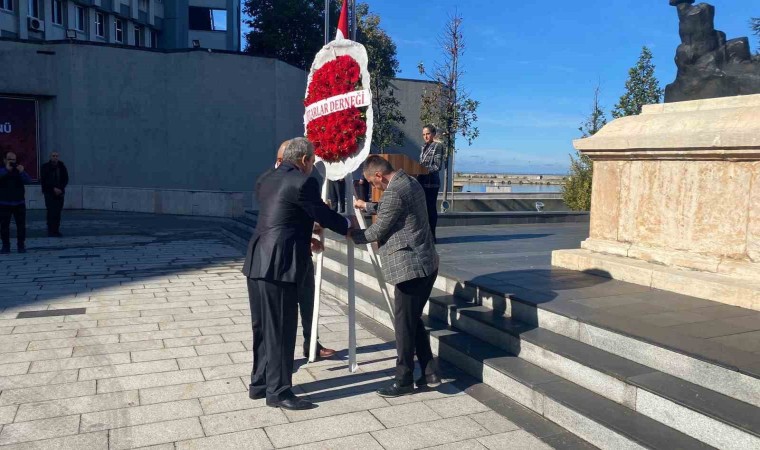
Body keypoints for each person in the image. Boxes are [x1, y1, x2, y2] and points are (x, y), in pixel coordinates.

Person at [242, 138, 352, 410]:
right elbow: (323, 216)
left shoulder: (266, 178)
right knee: (281, 328)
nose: (312, 165)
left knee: (262, 328)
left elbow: (283, 216)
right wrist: (349, 226)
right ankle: (278, 391)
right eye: (312, 161)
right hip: (279, 265)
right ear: (304, 160)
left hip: (257, 260)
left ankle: (259, 383)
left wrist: (304, 239)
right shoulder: (304, 182)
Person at [351, 155, 440, 397]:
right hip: (426, 264)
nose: (373, 187)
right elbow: (391, 207)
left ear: (379, 175)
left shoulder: (393, 191)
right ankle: (431, 372)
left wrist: (349, 232)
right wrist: (366, 206)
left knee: (403, 324)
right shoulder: (409, 182)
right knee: (412, 319)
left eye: (372, 182)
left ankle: (403, 380)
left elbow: (377, 230)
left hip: (411, 268)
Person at [273, 140, 336, 360]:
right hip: (283, 260)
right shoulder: (278, 181)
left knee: (309, 301)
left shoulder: (290, 179)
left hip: (300, 252)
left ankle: (312, 344)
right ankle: (282, 360)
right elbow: (279, 222)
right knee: (285, 311)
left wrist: (309, 234)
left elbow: (294, 217)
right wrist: (342, 224)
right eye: (280, 160)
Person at [417, 125, 445, 242]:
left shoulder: (438, 146)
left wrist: (423, 170)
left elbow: (437, 166)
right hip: (421, 182)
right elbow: (421, 163)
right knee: (422, 209)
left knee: (430, 208)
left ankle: (432, 235)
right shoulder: (423, 147)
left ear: (433, 134)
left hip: (431, 183)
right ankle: (424, 234)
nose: (425, 136)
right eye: (423, 134)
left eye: (427, 134)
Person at [0, 151, 32, 254]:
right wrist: (6, 170)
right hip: (4, 203)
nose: (12, 162)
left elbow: (28, 181)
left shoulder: (18, 170)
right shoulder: (1, 170)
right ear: (5, 160)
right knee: (4, 226)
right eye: (9, 159)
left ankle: (21, 246)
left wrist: (22, 172)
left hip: (19, 203)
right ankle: (5, 246)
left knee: (21, 226)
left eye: (13, 160)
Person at [40, 151, 69, 237]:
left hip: (60, 193)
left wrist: (61, 188)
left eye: (56, 156)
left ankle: (56, 230)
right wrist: (53, 189)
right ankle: (50, 230)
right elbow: (44, 180)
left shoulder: (62, 167)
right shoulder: (45, 167)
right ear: (50, 157)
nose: (55, 157)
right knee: (50, 211)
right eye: (53, 156)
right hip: (49, 193)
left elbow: (65, 178)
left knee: (58, 212)